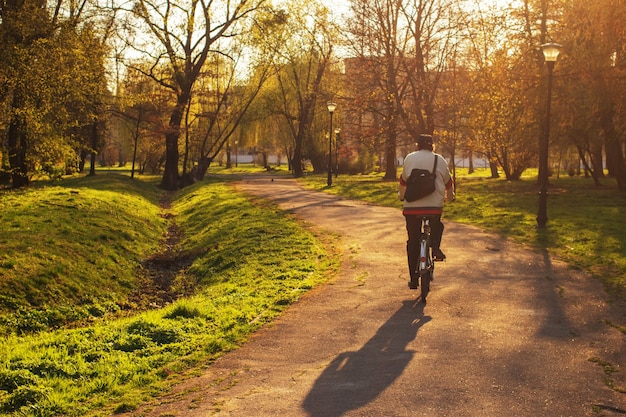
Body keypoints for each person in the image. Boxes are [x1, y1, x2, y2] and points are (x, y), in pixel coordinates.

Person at [398, 134, 454, 288]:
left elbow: (403, 181)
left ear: (417, 145)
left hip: (411, 208)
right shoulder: (439, 160)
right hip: (434, 207)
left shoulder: (409, 158)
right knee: (437, 225)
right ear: (432, 146)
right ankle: (435, 247)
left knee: (413, 241)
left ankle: (414, 279)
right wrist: (449, 198)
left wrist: (401, 196)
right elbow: (449, 183)